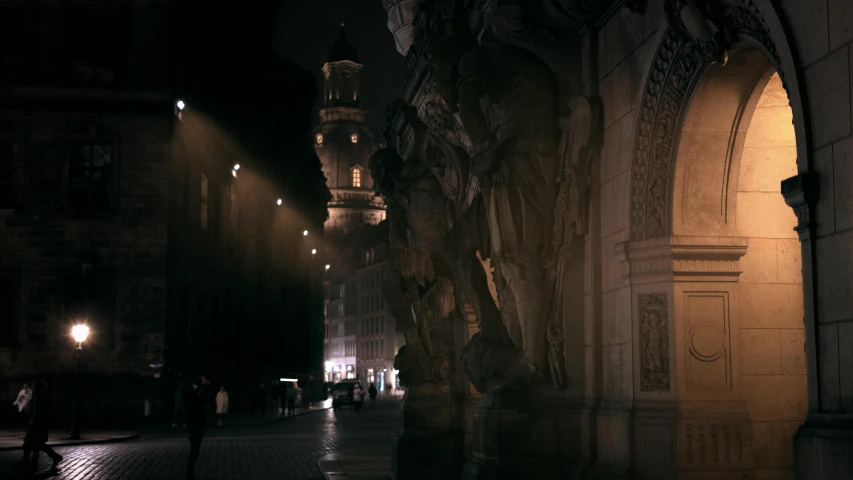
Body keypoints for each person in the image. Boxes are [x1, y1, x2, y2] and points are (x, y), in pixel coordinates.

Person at [17, 380, 62, 473]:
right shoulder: (43, 394)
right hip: (42, 423)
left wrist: (31, 422)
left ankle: (32, 463)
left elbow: (37, 411)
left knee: (33, 443)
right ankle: (54, 457)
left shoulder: (38, 394)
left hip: (37, 423)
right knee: (37, 443)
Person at [183, 375, 211, 480]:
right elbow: (201, 399)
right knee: (194, 452)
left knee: (195, 451)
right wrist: (204, 386)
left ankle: (190, 474)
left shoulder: (189, 396)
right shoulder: (190, 396)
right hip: (195, 426)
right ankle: (189, 475)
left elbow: (201, 399)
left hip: (194, 426)